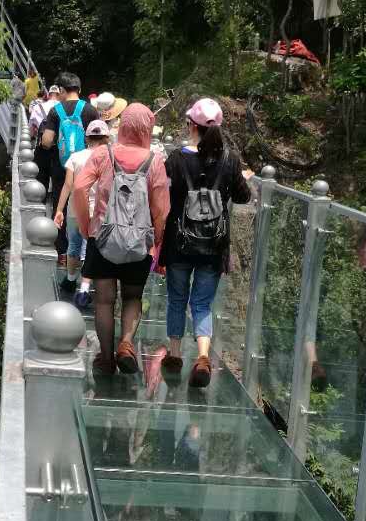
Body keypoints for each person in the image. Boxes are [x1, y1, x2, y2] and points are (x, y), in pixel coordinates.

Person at [158, 98, 252, 388]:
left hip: (179, 242)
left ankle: (174, 355)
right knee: (201, 303)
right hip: (214, 245)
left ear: (191, 126)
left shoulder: (175, 159)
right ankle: (202, 357)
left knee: (177, 298)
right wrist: (241, 177)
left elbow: (162, 195)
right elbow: (243, 197)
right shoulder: (230, 160)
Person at [73, 103, 169, 376]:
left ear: (123, 125)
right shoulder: (155, 161)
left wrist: (85, 225)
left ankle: (105, 358)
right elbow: (161, 209)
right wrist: (156, 239)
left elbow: (80, 187)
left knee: (104, 299)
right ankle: (126, 343)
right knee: (132, 296)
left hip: (101, 236)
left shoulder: (104, 154)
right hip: (139, 240)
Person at [41, 73, 97, 263]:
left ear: (62, 90)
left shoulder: (55, 111)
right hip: (87, 168)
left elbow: (47, 141)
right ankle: (85, 251)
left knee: (61, 206)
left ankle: (63, 253)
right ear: (79, 90)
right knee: (88, 204)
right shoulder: (90, 110)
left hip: (61, 167)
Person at [54, 118, 111, 295]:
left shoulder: (75, 157)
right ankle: (85, 287)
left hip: (75, 210)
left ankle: (71, 280)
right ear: (106, 139)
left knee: (74, 247)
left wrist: (59, 210)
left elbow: (68, 185)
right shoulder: (109, 159)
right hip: (99, 212)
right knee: (91, 249)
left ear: (86, 139)